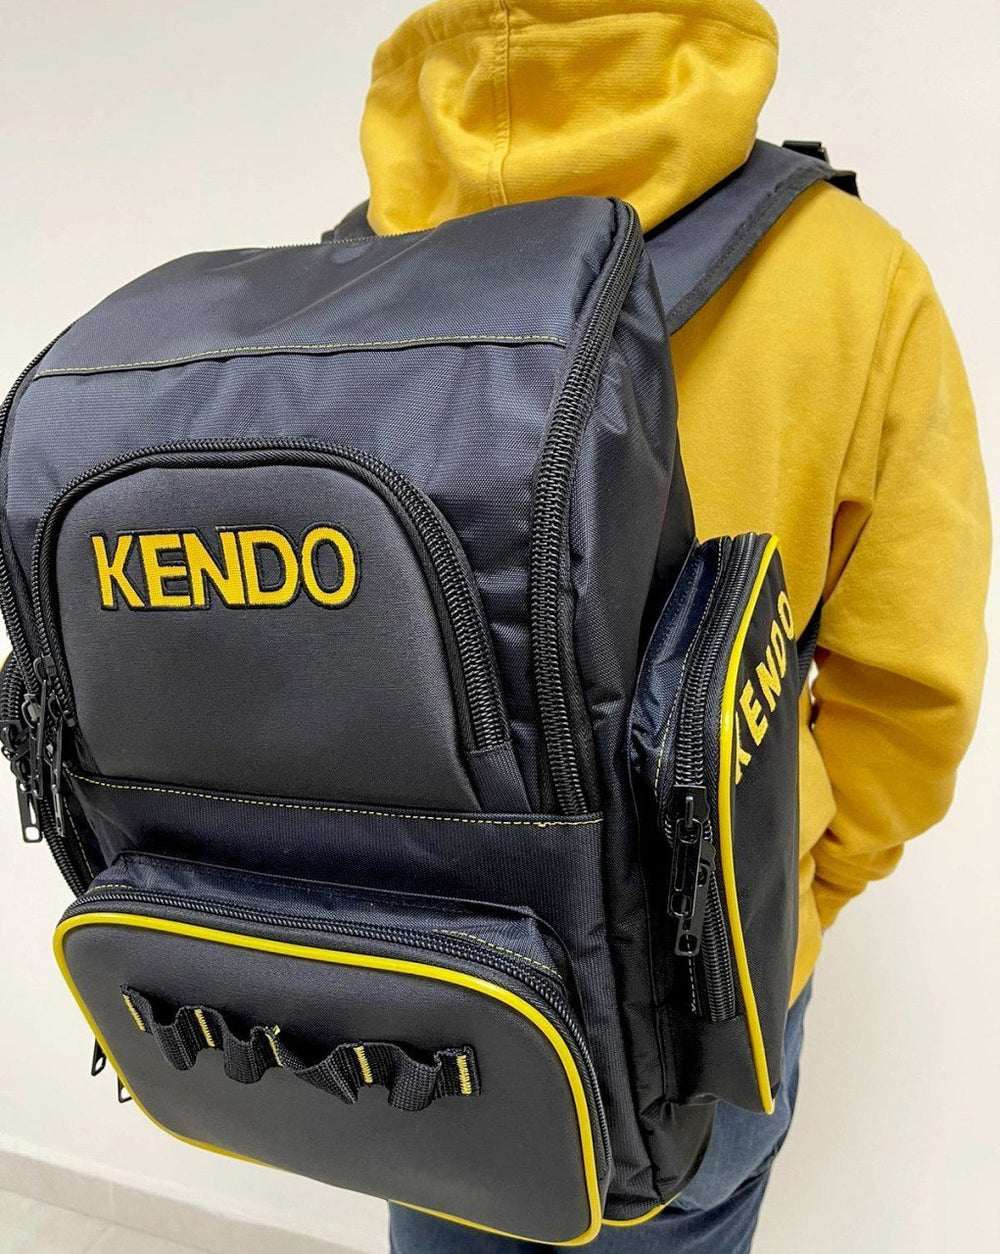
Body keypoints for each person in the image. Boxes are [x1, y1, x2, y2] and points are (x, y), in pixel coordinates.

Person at [354, 2, 991, 1250]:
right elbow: (914, 684)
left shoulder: (359, 270)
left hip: (421, 973)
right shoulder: (848, 270)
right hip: (702, 996)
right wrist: (793, 899)